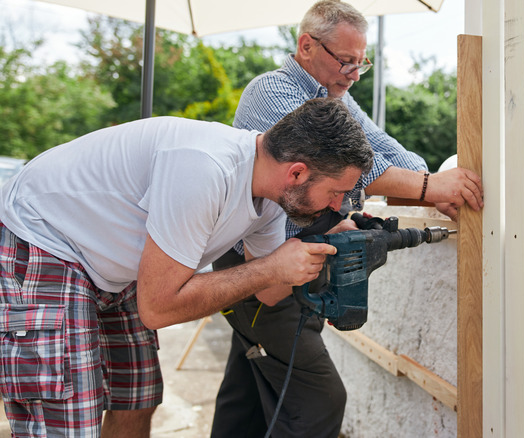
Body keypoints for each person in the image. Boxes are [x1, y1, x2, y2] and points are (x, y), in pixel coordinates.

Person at [0, 97, 373, 437]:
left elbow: (267, 293)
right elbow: (158, 308)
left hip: (113, 264)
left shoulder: (273, 197)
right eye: (336, 192)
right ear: (297, 173)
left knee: (137, 397)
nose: (339, 205)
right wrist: (272, 268)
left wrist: (321, 244)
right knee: (69, 418)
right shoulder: (206, 168)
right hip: (44, 239)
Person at [210, 1, 484, 437]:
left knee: (246, 394)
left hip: (287, 262)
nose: (354, 73)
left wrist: (427, 177)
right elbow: (344, 166)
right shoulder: (273, 91)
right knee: (318, 401)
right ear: (305, 45)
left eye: (362, 63)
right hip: (257, 266)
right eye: (346, 61)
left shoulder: (334, 98)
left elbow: (382, 148)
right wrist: (431, 189)